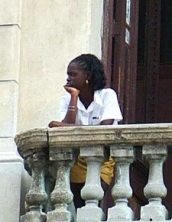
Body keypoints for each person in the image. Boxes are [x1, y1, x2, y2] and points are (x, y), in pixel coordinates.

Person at [48, 53, 122, 207]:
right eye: (68, 75)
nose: (68, 79)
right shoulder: (66, 100)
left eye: (73, 74)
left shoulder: (107, 95)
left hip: (102, 158)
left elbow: (104, 129)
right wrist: (74, 96)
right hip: (77, 159)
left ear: (87, 75)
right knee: (78, 202)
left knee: (93, 200)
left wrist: (69, 127)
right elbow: (64, 129)